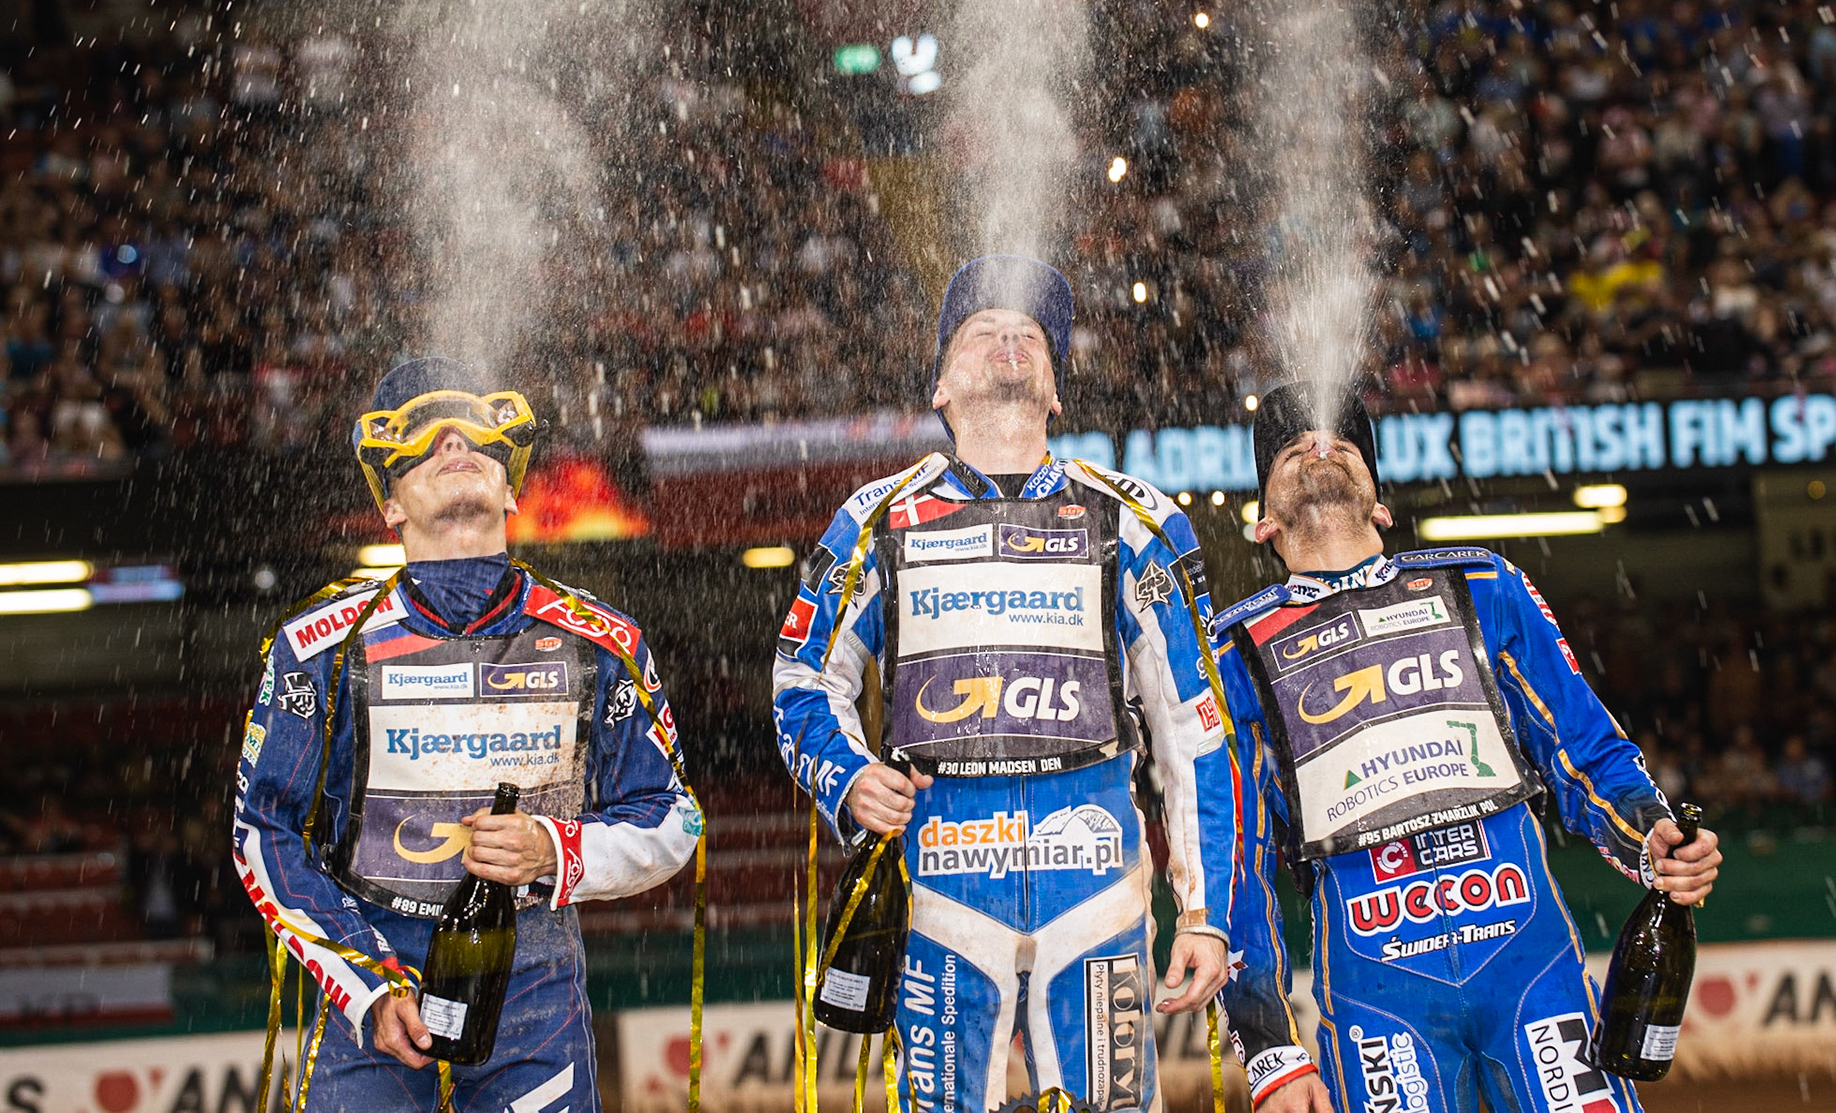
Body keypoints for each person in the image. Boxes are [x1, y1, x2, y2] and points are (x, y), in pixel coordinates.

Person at [772, 255, 1248, 1112]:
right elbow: (801, 680)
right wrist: (847, 776)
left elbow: (1195, 727)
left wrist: (1207, 911)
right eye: (979, 327)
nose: (1009, 332)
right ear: (940, 386)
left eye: (1032, 331)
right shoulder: (875, 518)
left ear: (1058, 393)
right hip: (940, 884)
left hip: (1097, 883)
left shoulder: (1137, 518)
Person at [1215, 385, 1721, 1113]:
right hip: (1377, 996)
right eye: (1290, 450)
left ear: (1382, 506)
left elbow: (1586, 748)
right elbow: (1234, 862)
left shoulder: (1481, 584)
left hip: (1531, 966)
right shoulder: (1235, 651)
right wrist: (1268, 1046)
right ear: (1261, 521)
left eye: (1342, 442)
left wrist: (1653, 835)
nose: (1319, 445)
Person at [232, 358, 702, 1113]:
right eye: (423, 441)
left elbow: (676, 817)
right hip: (373, 968)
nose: (454, 445)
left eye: (476, 439)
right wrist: (366, 986)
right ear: (390, 506)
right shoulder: (317, 648)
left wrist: (556, 850)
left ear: (513, 489)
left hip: (534, 974)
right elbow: (262, 831)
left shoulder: (602, 641)